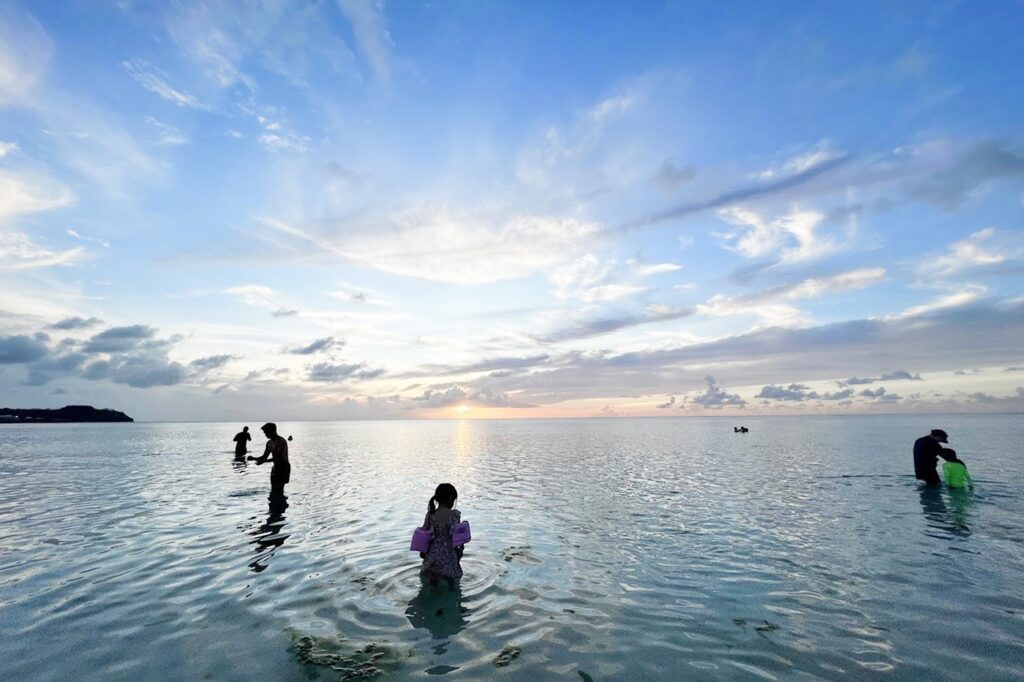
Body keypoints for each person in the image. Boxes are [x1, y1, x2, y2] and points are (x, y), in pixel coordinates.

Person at [419, 483, 464, 585]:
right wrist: (460, 552)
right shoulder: (454, 515)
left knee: (432, 584)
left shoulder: (430, 515)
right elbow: (458, 538)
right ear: (450, 499)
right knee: (452, 584)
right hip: (449, 559)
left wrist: (423, 553)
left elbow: (424, 535)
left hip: (432, 559)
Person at [249, 422, 290, 498]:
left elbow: (278, 457)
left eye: (266, 432)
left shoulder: (281, 441)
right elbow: (264, 456)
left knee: (279, 491)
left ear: (272, 431)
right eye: (265, 433)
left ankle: (281, 504)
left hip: (283, 468)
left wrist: (263, 461)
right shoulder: (269, 443)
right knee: (273, 491)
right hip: (275, 468)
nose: (265, 435)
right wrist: (254, 458)